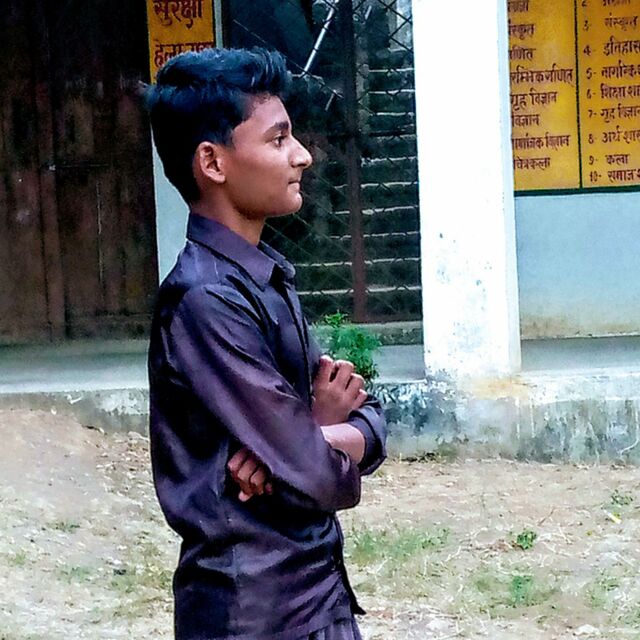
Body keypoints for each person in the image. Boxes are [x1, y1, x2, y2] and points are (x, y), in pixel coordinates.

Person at [145, 47, 387, 640]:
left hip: (317, 597)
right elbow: (318, 476)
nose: (302, 154)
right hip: (251, 613)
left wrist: (306, 436)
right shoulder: (205, 300)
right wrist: (309, 442)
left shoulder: (264, 278)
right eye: (279, 139)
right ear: (213, 162)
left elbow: (371, 419)